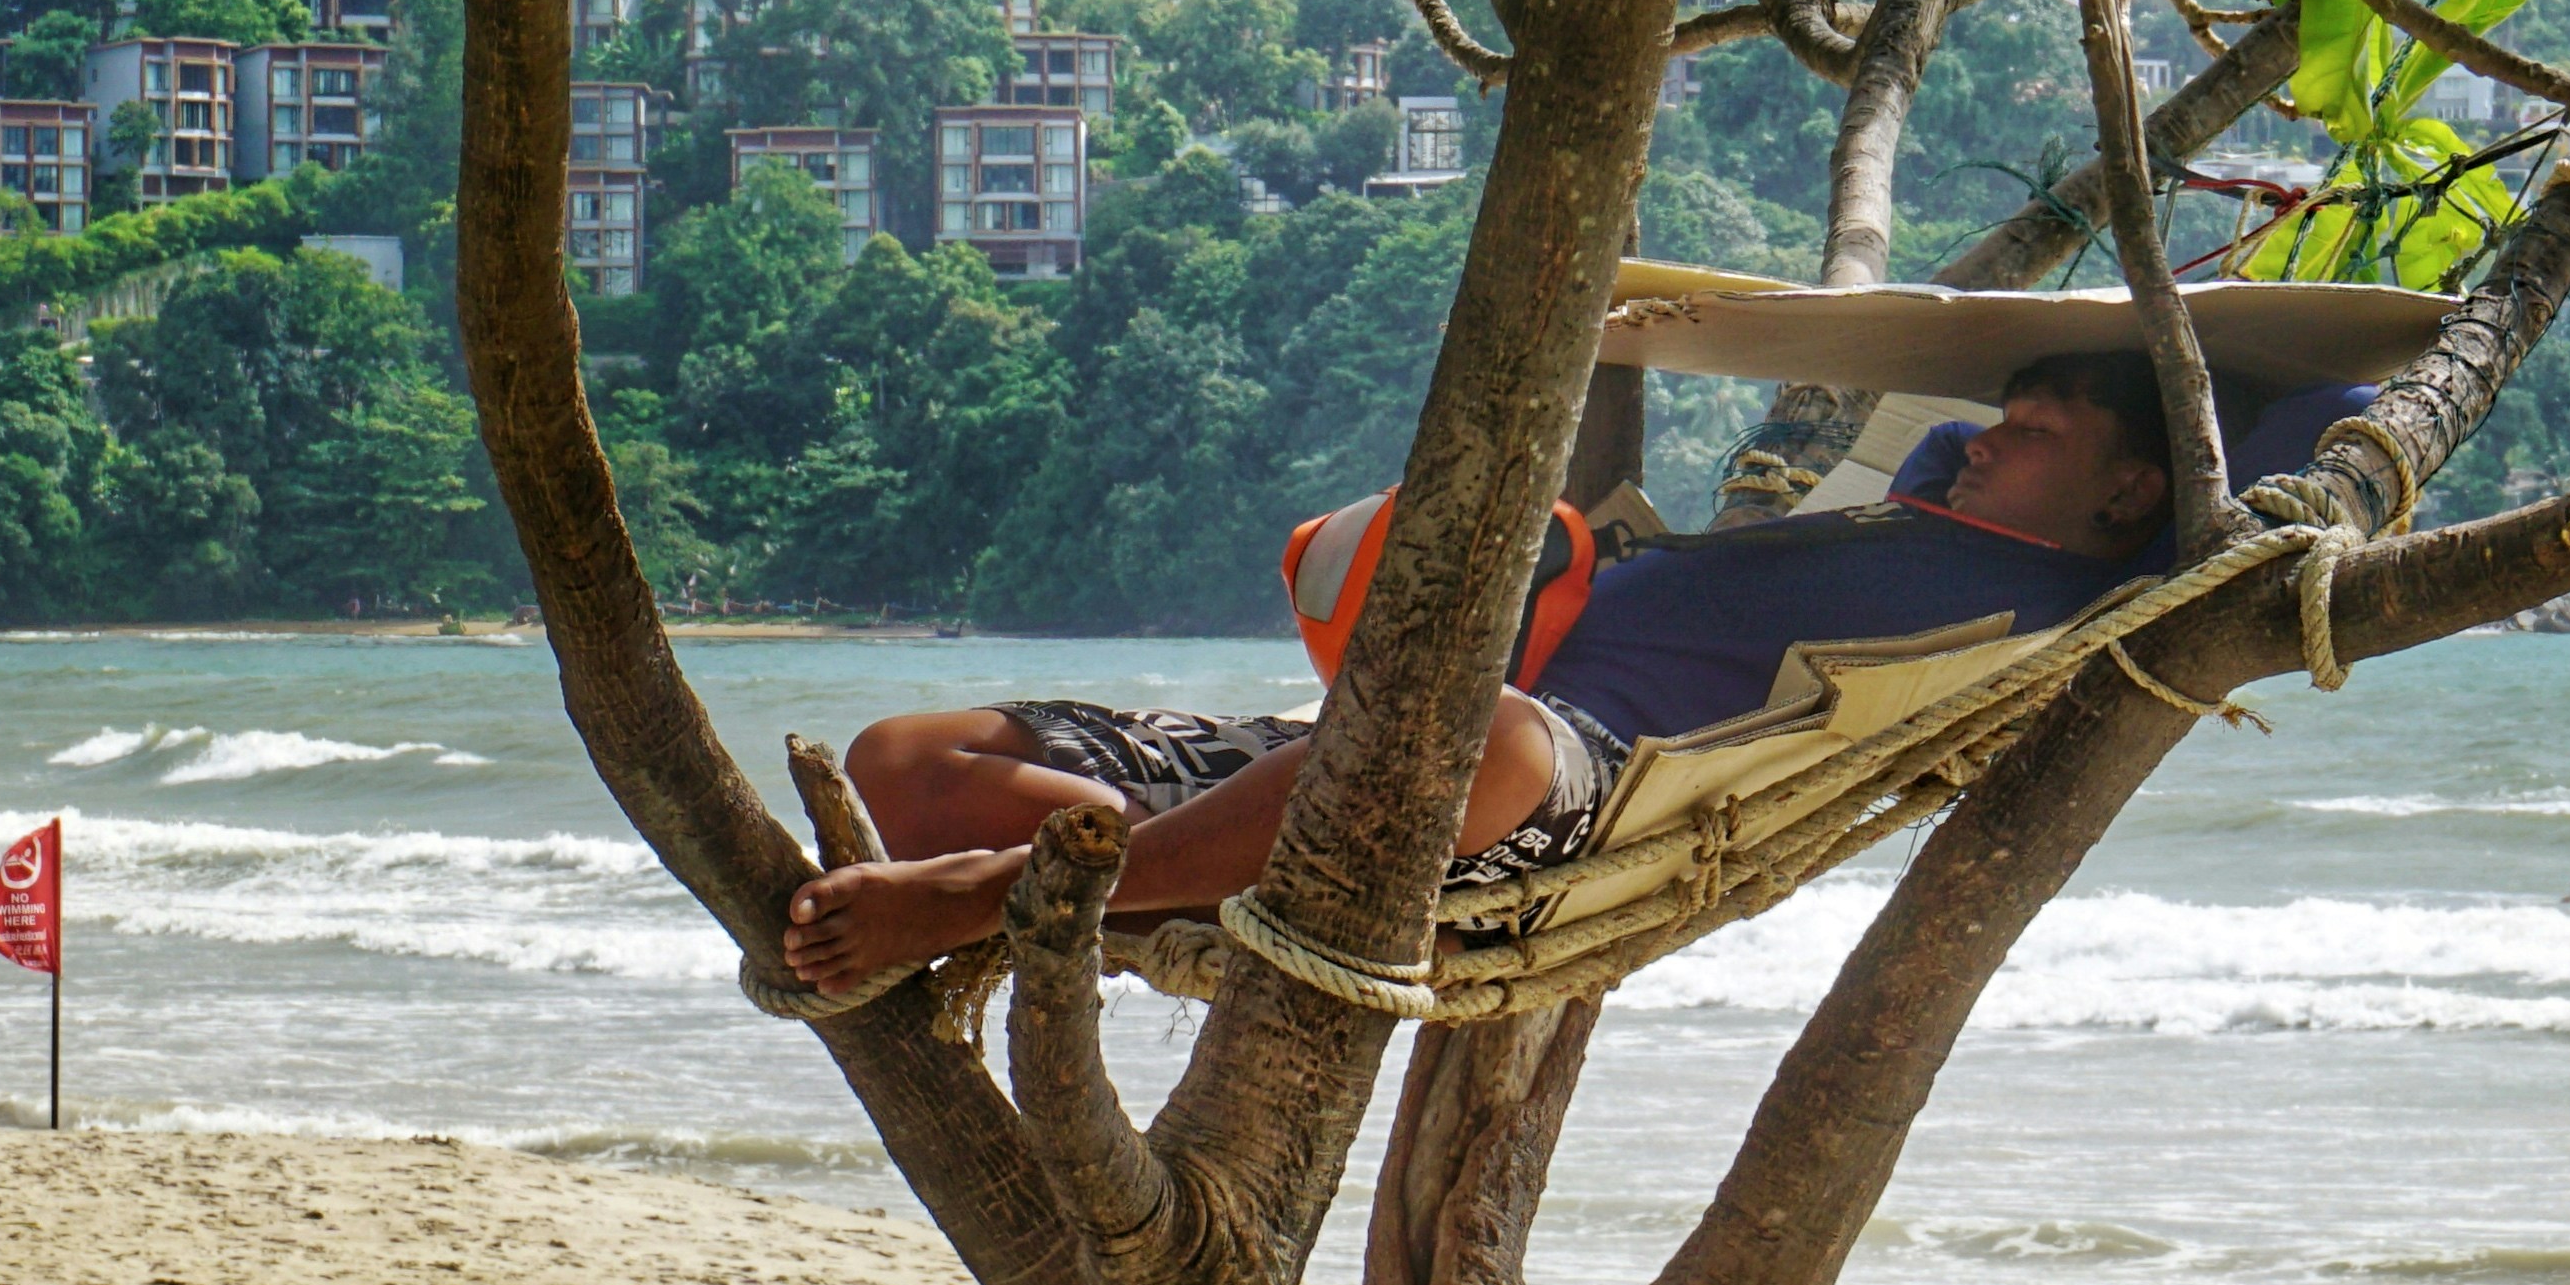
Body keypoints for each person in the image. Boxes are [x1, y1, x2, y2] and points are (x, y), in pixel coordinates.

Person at [782, 349, 2376, 989]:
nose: (1979, 446)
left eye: (2030, 436)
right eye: (1993, 423)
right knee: (904, 760)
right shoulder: (1915, 502)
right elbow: (1948, 427)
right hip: (1398, 735)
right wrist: (2015, 423)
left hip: (1582, 784)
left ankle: (995, 897)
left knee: (1467, 738)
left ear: (2133, 489)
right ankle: (1168, 874)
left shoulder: (2075, 593)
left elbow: (2328, 418)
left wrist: (2181, 357)